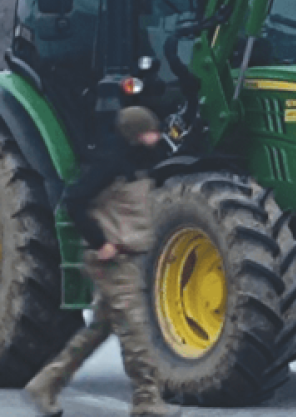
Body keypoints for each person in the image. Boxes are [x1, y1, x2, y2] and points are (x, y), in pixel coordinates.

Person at [24, 106, 179, 417]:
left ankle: (46, 383)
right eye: (150, 131)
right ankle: (147, 400)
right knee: (136, 330)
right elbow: (75, 202)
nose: (156, 136)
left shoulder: (139, 160)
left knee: (97, 331)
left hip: (128, 257)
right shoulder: (109, 163)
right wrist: (100, 242)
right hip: (112, 260)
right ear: (136, 134)